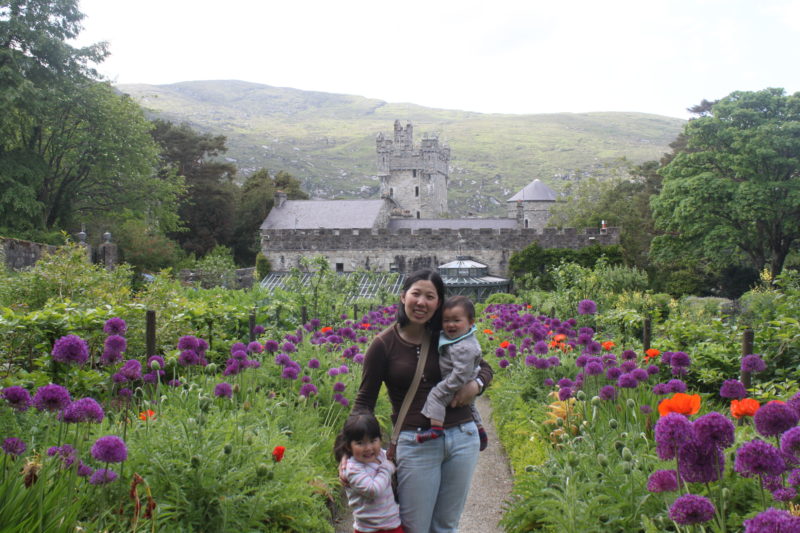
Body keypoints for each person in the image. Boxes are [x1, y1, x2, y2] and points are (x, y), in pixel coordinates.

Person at [351, 268, 493, 533]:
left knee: (446, 526)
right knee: (414, 527)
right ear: (403, 296)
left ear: (438, 303)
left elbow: (483, 367)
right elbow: (363, 403)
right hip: (416, 443)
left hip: (462, 436)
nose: (422, 302)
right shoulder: (383, 344)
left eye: (431, 296)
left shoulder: (447, 335)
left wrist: (476, 385)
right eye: (416, 294)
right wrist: (346, 454)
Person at [415, 295, 488, 451]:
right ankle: (480, 430)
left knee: (436, 396)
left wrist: (450, 386)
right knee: (472, 405)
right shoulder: (457, 338)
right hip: (464, 380)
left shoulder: (464, 346)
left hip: (456, 382)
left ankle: (435, 428)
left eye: (456, 320)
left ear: (471, 323)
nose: (450, 325)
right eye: (446, 320)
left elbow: (463, 373)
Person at [334, 412, 404, 533]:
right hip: (369, 529)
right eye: (360, 443)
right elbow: (373, 490)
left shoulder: (382, 455)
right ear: (348, 446)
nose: (368, 448)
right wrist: (386, 469)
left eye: (373, 440)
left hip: (392, 524)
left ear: (380, 440)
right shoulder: (353, 468)